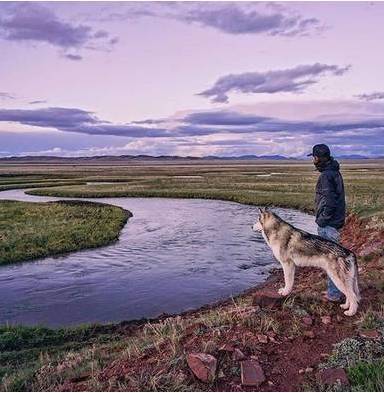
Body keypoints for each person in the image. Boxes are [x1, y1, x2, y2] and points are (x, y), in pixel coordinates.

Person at [307, 144, 346, 302]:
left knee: (331, 262)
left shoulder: (326, 176)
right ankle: (334, 291)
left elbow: (330, 202)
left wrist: (322, 220)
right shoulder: (334, 172)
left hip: (328, 225)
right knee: (333, 260)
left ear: (319, 158)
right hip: (334, 223)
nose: (313, 160)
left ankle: (334, 294)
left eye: (314, 157)